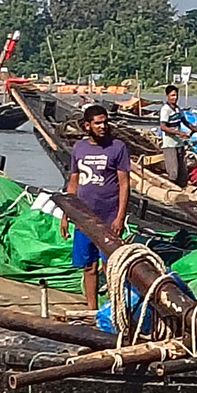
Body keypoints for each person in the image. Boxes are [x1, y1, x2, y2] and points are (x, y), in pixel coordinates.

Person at [59, 104, 131, 310]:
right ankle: (91, 308)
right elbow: (73, 181)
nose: (103, 126)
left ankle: (113, 308)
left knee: (110, 265)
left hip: (108, 217)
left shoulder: (117, 147)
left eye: (105, 122)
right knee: (88, 266)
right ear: (87, 125)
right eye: (98, 123)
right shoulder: (79, 148)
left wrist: (120, 217)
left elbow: (124, 184)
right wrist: (66, 213)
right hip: (83, 217)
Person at [157, 84, 186, 183]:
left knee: (182, 172)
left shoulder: (177, 109)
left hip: (179, 143)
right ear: (167, 96)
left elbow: (185, 121)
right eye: (172, 95)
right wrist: (179, 132)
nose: (175, 98)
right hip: (169, 145)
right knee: (173, 172)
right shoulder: (165, 110)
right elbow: (163, 127)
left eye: (176, 95)